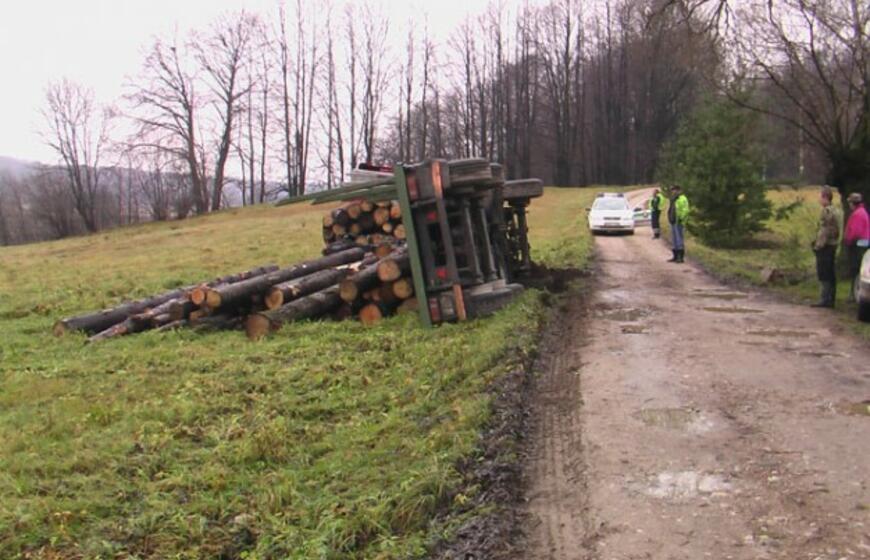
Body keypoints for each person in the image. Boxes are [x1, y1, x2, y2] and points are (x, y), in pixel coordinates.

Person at [811, 185, 840, 308]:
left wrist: (818, 245)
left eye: (821, 197)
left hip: (826, 246)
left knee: (824, 273)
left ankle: (825, 299)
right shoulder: (836, 210)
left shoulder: (827, 211)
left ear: (825, 197)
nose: (819, 200)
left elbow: (825, 230)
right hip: (833, 245)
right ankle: (830, 298)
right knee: (830, 273)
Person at [843, 192, 870, 301]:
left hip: (857, 245)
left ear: (852, 203)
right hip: (861, 244)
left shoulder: (857, 214)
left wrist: (848, 240)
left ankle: (854, 293)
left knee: (855, 269)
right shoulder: (862, 212)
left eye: (850, 202)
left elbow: (855, 232)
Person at [667, 184, 690, 263]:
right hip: (673, 221)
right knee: (674, 240)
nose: (673, 191)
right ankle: (675, 256)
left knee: (679, 239)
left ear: (679, 190)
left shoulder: (682, 199)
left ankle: (680, 257)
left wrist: (681, 218)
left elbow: (686, 210)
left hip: (679, 221)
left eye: (674, 190)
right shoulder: (673, 199)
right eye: (672, 190)